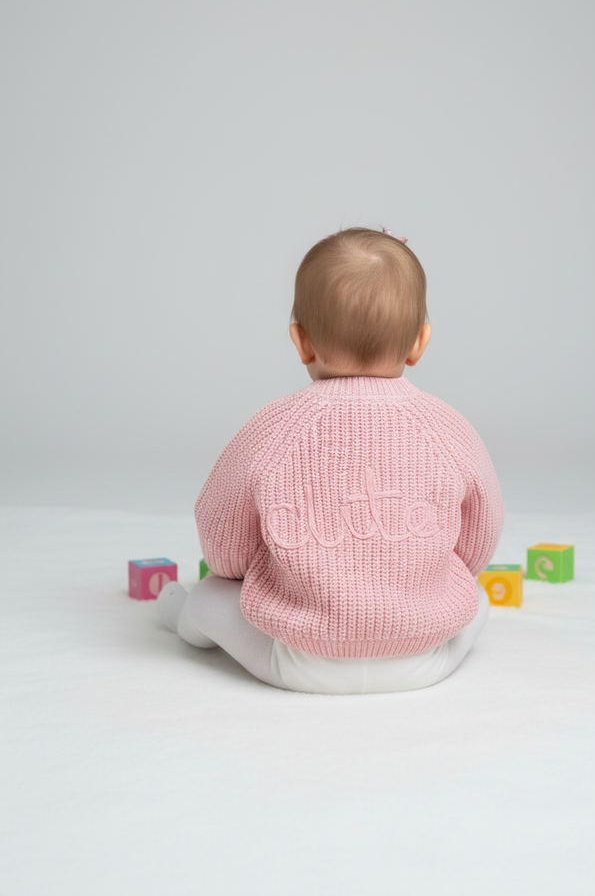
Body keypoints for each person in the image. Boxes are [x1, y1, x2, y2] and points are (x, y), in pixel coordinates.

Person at [157, 227, 503, 694]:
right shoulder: (449, 427)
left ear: (301, 341)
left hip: (297, 660)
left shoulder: (273, 426)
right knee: (476, 596)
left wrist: (247, 575)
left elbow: (223, 543)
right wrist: (436, 574)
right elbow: (480, 535)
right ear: (420, 342)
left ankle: (182, 621)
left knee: (210, 594)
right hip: (424, 659)